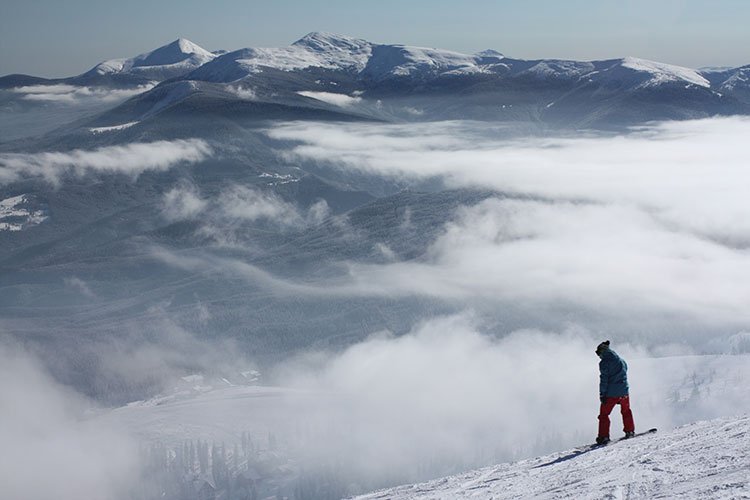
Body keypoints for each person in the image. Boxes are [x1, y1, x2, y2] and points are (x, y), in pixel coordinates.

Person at [595, 340, 635, 445]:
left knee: (604, 415)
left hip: (611, 394)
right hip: (624, 391)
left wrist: (602, 394)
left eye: (599, 354)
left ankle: (603, 437)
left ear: (602, 352)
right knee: (626, 411)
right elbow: (624, 372)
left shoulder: (604, 363)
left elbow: (604, 379)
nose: (599, 357)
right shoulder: (621, 360)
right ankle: (630, 431)